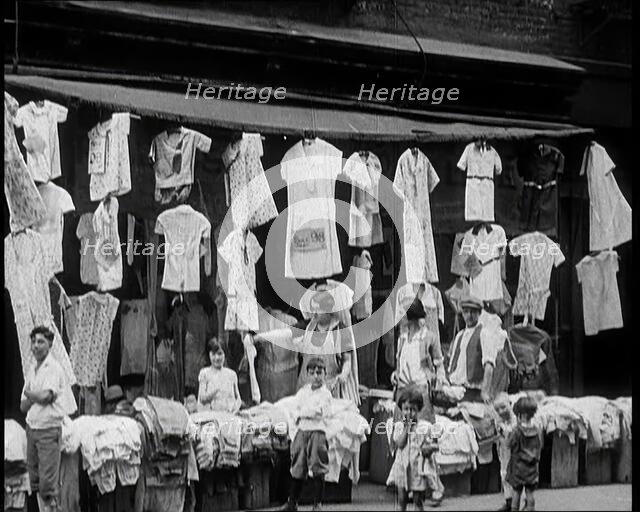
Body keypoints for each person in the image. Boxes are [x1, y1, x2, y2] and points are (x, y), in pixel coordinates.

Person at [20, 325, 77, 512]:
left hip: (48, 431)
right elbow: (23, 406)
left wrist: (31, 394)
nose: (36, 346)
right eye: (34, 342)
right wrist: (35, 395)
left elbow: (46, 397)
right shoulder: (32, 368)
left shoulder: (53, 368)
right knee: (35, 481)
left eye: (41, 342)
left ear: (50, 344)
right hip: (32, 428)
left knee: (48, 485)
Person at [281, 357, 332, 512]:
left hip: (318, 431)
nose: (316, 376)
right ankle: (292, 502)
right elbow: (294, 410)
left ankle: (317, 504)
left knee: (317, 465)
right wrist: (302, 414)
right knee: (298, 464)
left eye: (319, 372)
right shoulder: (302, 393)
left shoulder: (326, 395)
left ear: (325, 374)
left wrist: (304, 413)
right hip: (303, 431)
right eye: (312, 373)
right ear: (307, 375)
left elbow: (321, 412)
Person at [294, 290, 359, 405]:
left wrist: (343, 374)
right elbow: (286, 334)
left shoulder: (341, 330)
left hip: (330, 389)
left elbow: (347, 360)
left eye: (317, 309)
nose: (314, 313)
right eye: (312, 309)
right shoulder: (306, 326)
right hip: (306, 389)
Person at [391, 297, 448, 423]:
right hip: (402, 393)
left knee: (422, 430)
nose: (399, 317)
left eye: (402, 313)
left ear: (411, 315)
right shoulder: (402, 339)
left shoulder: (429, 338)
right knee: (401, 433)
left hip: (420, 393)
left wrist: (440, 383)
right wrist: (395, 374)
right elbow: (399, 366)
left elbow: (439, 365)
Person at [387, 386, 445, 510]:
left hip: (418, 468)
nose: (409, 413)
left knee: (417, 499)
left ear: (418, 410)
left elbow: (432, 444)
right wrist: (407, 428)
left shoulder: (425, 427)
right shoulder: (398, 427)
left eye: (413, 410)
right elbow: (400, 444)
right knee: (401, 499)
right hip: (402, 466)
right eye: (406, 409)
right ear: (401, 410)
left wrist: (429, 449)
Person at [447, 294, 502, 403]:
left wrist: (485, 392)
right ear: (462, 313)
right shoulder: (459, 335)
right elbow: (452, 366)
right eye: (466, 312)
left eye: (473, 312)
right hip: (456, 390)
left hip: (473, 391)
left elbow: (489, 366)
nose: (469, 315)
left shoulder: (484, 333)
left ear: (479, 313)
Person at [507, 396, 543, 511]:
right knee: (529, 492)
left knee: (516, 491)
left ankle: (514, 509)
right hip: (532, 466)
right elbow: (540, 445)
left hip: (518, 467)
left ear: (520, 414)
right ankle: (531, 509)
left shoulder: (516, 431)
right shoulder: (537, 430)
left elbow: (509, 444)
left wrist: (506, 434)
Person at [197, 337, 242, 413]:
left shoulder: (232, 374)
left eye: (220, 353)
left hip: (228, 416)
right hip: (210, 418)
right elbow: (202, 398)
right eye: (213, 354)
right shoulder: (204, 373)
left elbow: (238, 398)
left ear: (225, 354)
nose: (217, 358)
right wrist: (216, 391)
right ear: (209, 355)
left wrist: (235, 409)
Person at [494, 392, 517, 511]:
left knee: (514, 477)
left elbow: (513, 434)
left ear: (510, 404)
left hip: (515, 453)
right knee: (503, 474)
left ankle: (517, 501)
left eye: (503, 407)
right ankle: (508, 501)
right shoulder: (499, 420)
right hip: (503, 451)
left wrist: (504, 429)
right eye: (497, 409)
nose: (501, 411)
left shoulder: (515, 419)